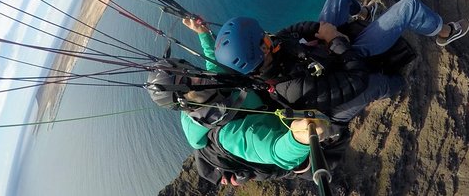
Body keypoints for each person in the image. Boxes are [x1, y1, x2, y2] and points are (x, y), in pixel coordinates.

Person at [214, 0, 469, 122]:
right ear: (260, 52)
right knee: (410, 7)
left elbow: (293, 30)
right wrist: (336, 40)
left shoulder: (271, 47)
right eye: (262, 39)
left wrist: (319, 30)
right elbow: (356, 79)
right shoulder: (292, 88)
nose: (267, 35)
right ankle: (444, 33)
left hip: (325, 50)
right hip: (349, 59)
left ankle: (362, 13)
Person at [146, 18, 347, 186]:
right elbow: (274, 151)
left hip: (285, 107)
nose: (195, 76)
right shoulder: (227, 134)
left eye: (187, 69)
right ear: (183, 100)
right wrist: (297, 139)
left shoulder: (206, 90)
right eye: (187, 81)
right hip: (305, 145)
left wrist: (203, 34)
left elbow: (212, 65)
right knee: (369, 85)